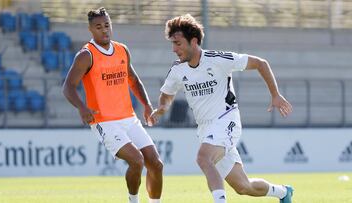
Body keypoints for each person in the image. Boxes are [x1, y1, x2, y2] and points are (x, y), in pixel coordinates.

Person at [150, 14, 293, 203]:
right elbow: (167, 94)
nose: (174, 49)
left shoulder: (218, 59)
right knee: (243, 186)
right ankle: (283, 192)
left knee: (203, 158)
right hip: (205, 129)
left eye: (178, 43)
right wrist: (162, 108)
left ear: (193, 41)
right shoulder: (178, 70)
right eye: (172, 44)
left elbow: (260, 63)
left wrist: (275, 94)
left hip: (226, 120)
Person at [62, 7, 163, 203]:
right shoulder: (86, 55)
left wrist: (147, 105)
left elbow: (133, 80)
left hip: (129, 118)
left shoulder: (122, 49)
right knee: (136, 161)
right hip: (104, 121)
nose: (104, 30)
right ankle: (133, 201)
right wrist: (82, 108)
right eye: (98, 27)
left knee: (156, 163)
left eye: (107, 25)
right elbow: (67, 87)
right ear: (91, 30)